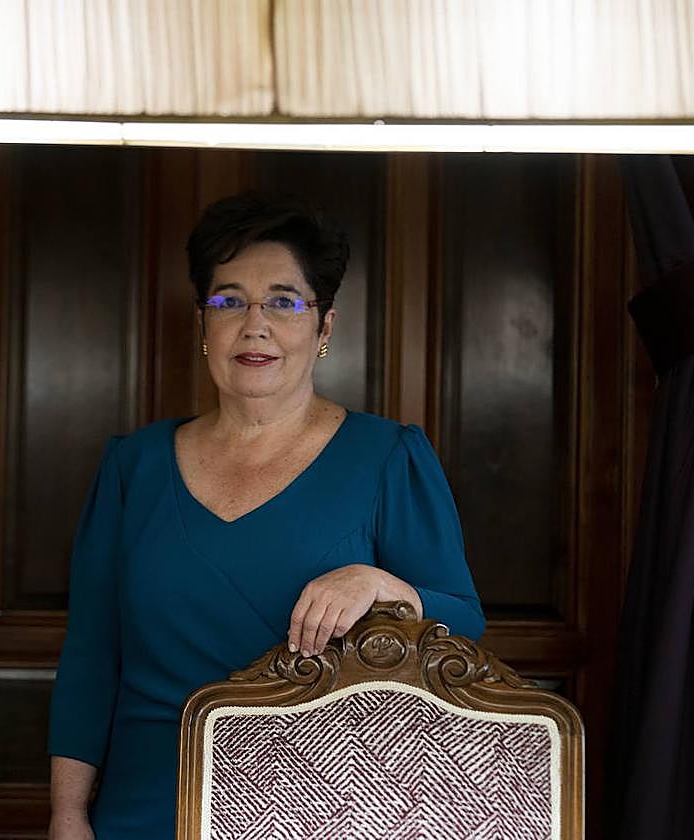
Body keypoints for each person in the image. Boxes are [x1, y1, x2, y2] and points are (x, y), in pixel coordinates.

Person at [47, 192, 484, 839]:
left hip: (326, 809)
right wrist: (67, 813)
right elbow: (90, 655)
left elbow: (464, 624)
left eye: (284, 302)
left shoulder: (388, 456)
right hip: (146, 808)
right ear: (203, 324)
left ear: (324, 327)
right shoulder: (132, 467)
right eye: (229, 302)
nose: (255, 325)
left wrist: (381, 585)